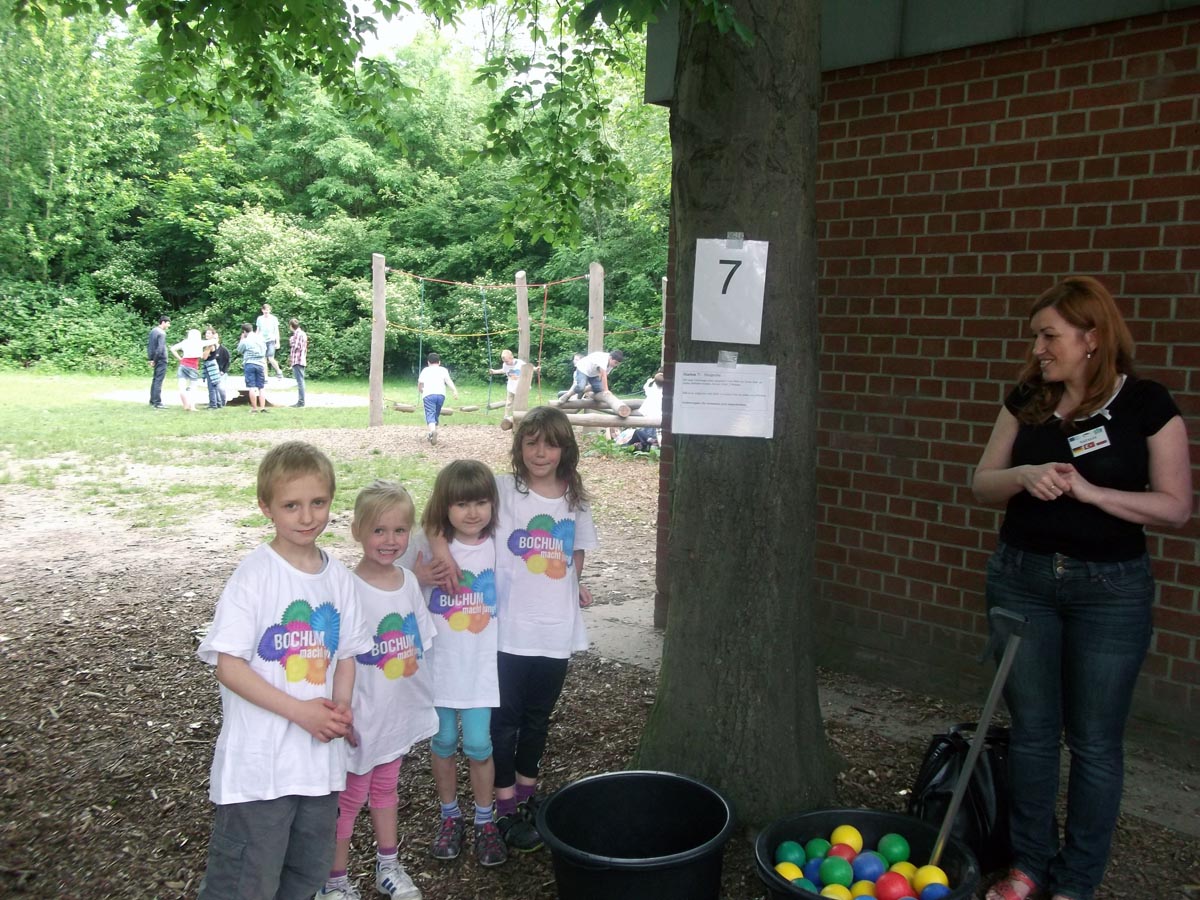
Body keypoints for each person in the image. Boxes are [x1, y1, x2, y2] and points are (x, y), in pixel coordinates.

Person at [972, 277, 1192, 900]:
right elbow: (982, 484)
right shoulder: (1027, 399)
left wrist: (1093, 493)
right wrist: (1022, 474)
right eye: (1035, 336)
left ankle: (1076, 881)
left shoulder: (1146, 403)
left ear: (1091, 338)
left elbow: (1175, 507)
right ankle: (1029, 866)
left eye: (1050, 336)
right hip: (1022, 579)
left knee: (1094, 742)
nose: (1038, 348)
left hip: (1110, 590)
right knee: (1034, 732)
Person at [196, 441, 372, 900]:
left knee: (305, 877)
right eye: (291, 505)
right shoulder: (255, 576)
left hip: (320, 769)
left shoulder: (340, 580)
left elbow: (347, 655)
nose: (307, 516)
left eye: (318, 502)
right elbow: (229, 667)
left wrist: (339, 710)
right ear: (266, 507)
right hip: (260, 772)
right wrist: (301, 712)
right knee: (246, 885)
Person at [431, 406, 597, 853]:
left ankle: (526, 794)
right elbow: (440, 516)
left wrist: (574, 584)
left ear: (566, 450)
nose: (540, 453)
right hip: (507, 631)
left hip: (556, 631)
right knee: (504, 724)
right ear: (519, 446)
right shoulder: (503, 490)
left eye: (551, 444)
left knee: (538, 718)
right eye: (531, 442)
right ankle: (503, 805)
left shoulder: (575, 500)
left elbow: (577, 551)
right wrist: (440, 555)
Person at [317, 480, 436, 900]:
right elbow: (336, 658)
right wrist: (341, 712)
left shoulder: (408, 582)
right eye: (378, 530)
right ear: (357, 531)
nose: (390, 540)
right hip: (360, 717)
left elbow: (420, 642)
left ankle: (389, 865)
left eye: (399, 530)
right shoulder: (347, 589)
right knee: (349, 800)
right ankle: (334, 882)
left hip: (393, 716)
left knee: (386, 790)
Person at [409, 461, 507, 867]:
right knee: (444, 741)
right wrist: (419, 575)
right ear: (444, 506)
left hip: (480, 668)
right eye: (461, 504)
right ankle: (450, 816)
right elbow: (394, 579)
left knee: (480, 745)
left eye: (481, 502)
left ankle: (485, 820)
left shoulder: (498, 541)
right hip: (440, 667)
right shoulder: (426, 544)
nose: (472, 513)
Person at [417, 353, 459, 446]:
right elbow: (448, 381)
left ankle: (432, 432)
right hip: (441, 395)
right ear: (439, 362)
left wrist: (420, 389)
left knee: (430, 413)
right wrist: (454, 390)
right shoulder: (443, 370)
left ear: (428, 362)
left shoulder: (425, 370)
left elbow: (420, 382)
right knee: (436, 413)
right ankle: (433, 433)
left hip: (428, 395)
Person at [169, 328, 211, 412]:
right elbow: (212, 341)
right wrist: (215, 337)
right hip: (193, 366)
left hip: (183, 365)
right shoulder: (199, 343)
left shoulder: (185, 342)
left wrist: (180, 358)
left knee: (182, 387)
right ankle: (192, 406)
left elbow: (172, 349)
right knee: (193, 387)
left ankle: (185, 404)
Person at [488, 349, 535, 422]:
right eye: (504, 361)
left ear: (511, 357)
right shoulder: (505, 365)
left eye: (507, 361)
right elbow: (503, 370)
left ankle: (518, 416)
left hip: (520, 386)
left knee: (519, 402)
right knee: (509, 402)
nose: (506, 363)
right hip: (511, 386)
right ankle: (506, 416)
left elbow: (529, 367)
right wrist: (494, 371)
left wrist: (536, 369)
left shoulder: (519, 363)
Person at [238, 322, 269, 413]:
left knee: (251, 387)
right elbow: (265, 350)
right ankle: (262, 407)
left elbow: (239, 350)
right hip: (260, 364)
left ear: (244, 331)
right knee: (261, 387)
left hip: (250, 363)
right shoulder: (260, 338)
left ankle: (254, 408)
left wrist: (241, 340)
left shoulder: (246, 340)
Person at [147, 314, 170, 409]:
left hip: (155, 358)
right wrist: (155, 360)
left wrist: (151, 359)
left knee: (155, 379)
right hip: (161, 359)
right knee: (158, 380)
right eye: (168, 323)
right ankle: (157, 402)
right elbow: (160, 349)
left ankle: (152, 400)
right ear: (163, 322)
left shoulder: (153, 331)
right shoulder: (162, 333)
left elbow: (150, 346)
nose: (169, 325)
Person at [257, 302, 285, 378]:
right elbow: (258, 330)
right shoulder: (259, 318)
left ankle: (278, 370)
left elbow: (276, 331)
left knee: (270, 358)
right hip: (262, 341)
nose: (266, 311)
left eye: (268, 310)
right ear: (262, 310)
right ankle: (265, 376)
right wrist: (256, 340)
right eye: (265, 310)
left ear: (270, 310)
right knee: (263, 359)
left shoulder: (273, 319)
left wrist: (278, 342)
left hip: (271, 340)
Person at [200, 327, 224, 410]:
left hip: (210, 367)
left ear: (213, 335)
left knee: (211, 387)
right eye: (206, 333)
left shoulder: (210, 345)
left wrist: (202, 353)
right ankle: (219, 403)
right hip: (214, 365)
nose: (207, 334)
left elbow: (204, 357)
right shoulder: (212, 344)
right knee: (215, 385)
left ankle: (213, 404)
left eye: (209, 333)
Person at [208, 328, 231, 407]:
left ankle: (223, 402)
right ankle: (216, 402)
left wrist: (223, 371)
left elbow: (228, 361)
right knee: (214, 388)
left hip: (221, 372)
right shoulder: (210, 348)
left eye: (215, 338)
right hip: (213, 371)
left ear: (218, 339)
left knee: (221, 388)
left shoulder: (223, 350)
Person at [289, 317, 308, 408]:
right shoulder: (302, 333)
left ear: (291, 326)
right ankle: (301, 401)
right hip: (301, 359)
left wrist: (291, 340)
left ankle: (301, 402)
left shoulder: (297, 334)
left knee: (300, 382)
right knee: (300, 381)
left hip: (298, 360)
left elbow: (296, 346)